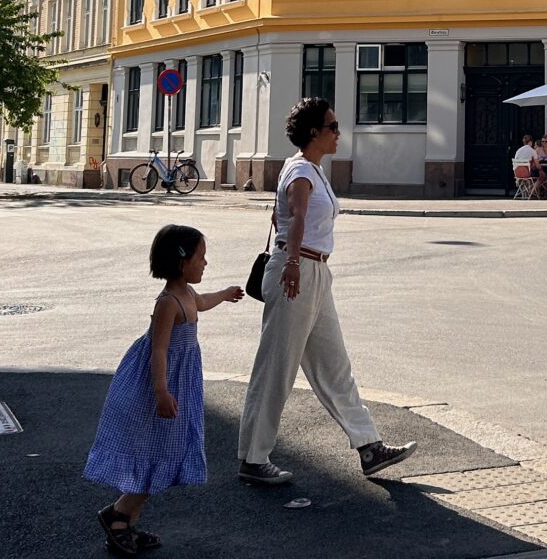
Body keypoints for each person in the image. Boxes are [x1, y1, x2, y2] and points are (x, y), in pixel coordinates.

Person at [238, 97, 416, 485]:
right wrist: (291, 264)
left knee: (335, 366)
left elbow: (279, 215)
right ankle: (253, 459)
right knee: (276, 370)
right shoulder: (301, 171)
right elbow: (298, 216)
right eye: (333, 127)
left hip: (314, 271)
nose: (338, 133)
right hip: (296, 271)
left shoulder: (311, 170)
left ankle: (369, 446)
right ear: (315, 133)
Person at [84, 225, 244, 556]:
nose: (205, 263)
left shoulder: (186, 294)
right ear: (181, 261)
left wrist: (226, 294)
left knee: (163, 453)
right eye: (201, 257)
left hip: (179, 385)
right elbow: (158, 351)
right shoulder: (168, 302)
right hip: (162, 386)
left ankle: (125, 520)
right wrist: (161, 392)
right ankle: (118, 518)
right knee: (155, 454)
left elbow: (201, 302)